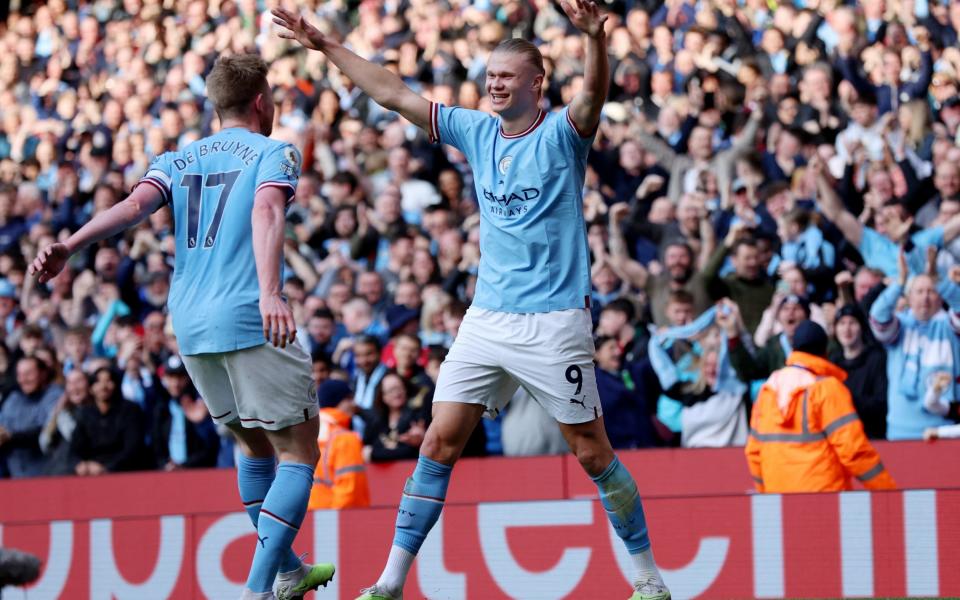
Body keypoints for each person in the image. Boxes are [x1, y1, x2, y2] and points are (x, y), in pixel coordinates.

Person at [273, 4, 672, 600]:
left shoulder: (562, 135)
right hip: (486, 319)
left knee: (592, 453)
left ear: (536, 84)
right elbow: (393, 94)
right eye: (490, 75)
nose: (494, 83)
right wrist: (328, 45)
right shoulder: (475, 130)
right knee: (437, 441)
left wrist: (593, 41)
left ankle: (648, 579)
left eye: (507, 76)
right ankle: (389, 583)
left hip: (554, 322)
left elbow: (591, 96)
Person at [29, 54, 334, 600]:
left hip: (189, 323)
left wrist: (71, 245)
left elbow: (131, 208)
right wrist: (270, 292)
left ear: (215, 105)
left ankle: (287, 570)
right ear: (262, 102)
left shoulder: (176, 158)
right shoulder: (275, 151)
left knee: (252, 448)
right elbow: (266, 212)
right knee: (298, 452)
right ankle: (258, 590)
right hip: (247, 313)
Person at [745, 321, 897, 493]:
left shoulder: (769, 390)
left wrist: (766, 492)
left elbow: (753, 452)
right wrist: (889, 493)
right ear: (825, 351)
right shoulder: (827, 389)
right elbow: (854, 451)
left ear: (793, 349)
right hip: (825, 499)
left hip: (779, 500)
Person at [69, 367, 148, 475]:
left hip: (124, 473)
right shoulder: (85, 414)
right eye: (98, 382)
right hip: (91, 473)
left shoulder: (130, 410)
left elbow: (132, 449)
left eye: (108, 381)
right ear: (91, 388)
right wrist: (80, 464)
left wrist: (107, 468)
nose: (103, 387)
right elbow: (75, 448)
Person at [308, 379, 370, 510]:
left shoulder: (308, 435)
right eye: (349, 399)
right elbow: (350, 495)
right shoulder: (346, 439)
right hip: (338, 523)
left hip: (308, 520)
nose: (353, 404)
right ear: (338, 401)